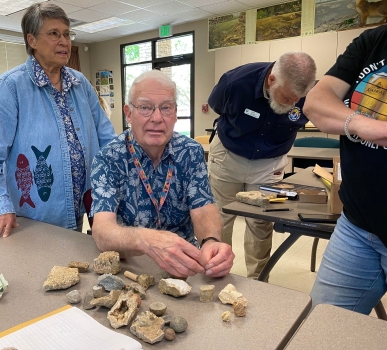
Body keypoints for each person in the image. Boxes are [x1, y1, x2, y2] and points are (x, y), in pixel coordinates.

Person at [0, 2, 116, 239]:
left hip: (83, 206)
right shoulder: (11, 87)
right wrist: (1, 205)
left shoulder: (80, 84)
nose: (64, 41)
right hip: (33, 214)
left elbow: (107, 138)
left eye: (67, 34)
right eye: (54, 34)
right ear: (32, 40)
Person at [90, 70, 235, 278]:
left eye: (166, 108)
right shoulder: (109, 158)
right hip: (131, 267)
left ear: (175, 113)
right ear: (128, 113)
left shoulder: (191, 152)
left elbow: (203, 208)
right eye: (145, 107)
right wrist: (147, 241)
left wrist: (210, 241)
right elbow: (102, 231)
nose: (157, 118)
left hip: (185, 264)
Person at [207, 52, 316, 278]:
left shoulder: (310, 94)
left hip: (270, 163)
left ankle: (257, 280)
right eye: (287, 97)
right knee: (220, 217)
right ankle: (217, 272)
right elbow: (215, 105)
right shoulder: (236, 82)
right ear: (272, 80)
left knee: (260, 224)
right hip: (229, 156)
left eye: (298, 98)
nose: (293, 103)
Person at [304, 25, 387, 314]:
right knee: (318, 329)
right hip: (357, 226)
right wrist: (369, 127)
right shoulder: (374, 40)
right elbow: (316, 103)